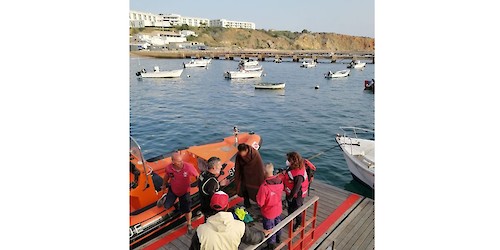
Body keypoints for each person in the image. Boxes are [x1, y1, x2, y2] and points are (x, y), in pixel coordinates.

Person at [189, 191, 271, 250]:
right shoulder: (240, 226)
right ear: (227, 206)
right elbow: (253, 238)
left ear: (211, 206)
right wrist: (263, 234)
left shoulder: (201, 231)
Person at [157, 151, 199, 233]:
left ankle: (189, 224)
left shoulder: (188, 167)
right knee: (166, 206)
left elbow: (197, 176)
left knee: (187, 210)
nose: (181, 162)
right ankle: (165, 197)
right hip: (173, 190)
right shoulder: (169, 168)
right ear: (173, 161)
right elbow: (167, 176)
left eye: (181, 160)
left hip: (185, 192)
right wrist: (164, 185)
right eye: (179, 161)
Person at [256, 163, 284, 249]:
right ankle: (278, 238)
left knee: (269, 228)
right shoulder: (280, 181)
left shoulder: (264, 187)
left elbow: (260, 202)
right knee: (278, 223)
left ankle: (270, 245)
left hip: (268, 212)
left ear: (264, 172)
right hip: (278, 208)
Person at [283, 152, 309, 232]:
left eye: (288, 160)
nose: (287, 161)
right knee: (290, 207)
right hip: (290, 192)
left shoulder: (298, 174)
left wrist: (291, 197)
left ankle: (298, 223)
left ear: (292, 161)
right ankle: (290, 217)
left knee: (297, 209)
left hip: (298, 195)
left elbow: (296, 188)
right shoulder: (293, 167)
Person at [198, 156, 230, 221]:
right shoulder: (212, 182)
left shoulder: (203, 174)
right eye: (219, 165)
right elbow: (215, 198)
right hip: (210, 209)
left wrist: (218, 184)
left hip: (203, 203)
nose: (221, 167)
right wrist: (219, 186)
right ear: (214, 167)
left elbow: (207, 187)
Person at [234, 143, 265, 208]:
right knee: (244, 189)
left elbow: (259, 167)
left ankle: (260, 204)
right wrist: (238, 175)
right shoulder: (238, 155)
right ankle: (247, 204)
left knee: (257, 190)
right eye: (240, 153)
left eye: (243, 153)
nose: (242, 155)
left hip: (255, 175)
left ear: (246, 150)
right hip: (244, 175)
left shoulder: (255, 154)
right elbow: (237, 166)